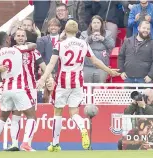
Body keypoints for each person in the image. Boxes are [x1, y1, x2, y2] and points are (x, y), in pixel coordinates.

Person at [37, 20, 120, 151]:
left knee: (58, 111)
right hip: (78, 81)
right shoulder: (84, 43)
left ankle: (55, 143)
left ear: (65, 30)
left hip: (63, 81)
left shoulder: (60, 44)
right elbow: (95, 61)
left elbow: (52, 64)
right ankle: (82, 129)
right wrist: (109, 70)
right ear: (77, 31)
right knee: (74, 112)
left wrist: (42, 78)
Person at [4, 29, 53, 151]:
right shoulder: (11, 51)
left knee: (31, 116)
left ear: (26, 38)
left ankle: (26, 143)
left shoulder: (34, 52)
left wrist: (48, 78)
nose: (20, 37)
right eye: (18, 35)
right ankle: (15, 144)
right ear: (14, 38)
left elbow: (43, 66)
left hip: (30, 88)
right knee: (16, 115)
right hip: (16, 87)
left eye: (22, 36)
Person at [0, 31, 38, 152]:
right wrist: (22, 45)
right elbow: (33, 46)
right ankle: (25, 143)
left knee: (3, 117)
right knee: (31, 116)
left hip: (6, 89)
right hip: (18, 88)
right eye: (9, 38)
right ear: (7, 40)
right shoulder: (16, 50)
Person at [80, 15, 115, 83]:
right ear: (91, 24)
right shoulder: (84, 34)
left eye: (98, 23)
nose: (96, 24)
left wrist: (103, 39)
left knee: (99, 89)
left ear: (101, 24)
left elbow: (112, 45)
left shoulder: (108, 33)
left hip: (102, 67)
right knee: (87, 89)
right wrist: (90, 38)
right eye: (94, 23)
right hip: (87, 67)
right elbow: (80, 46)